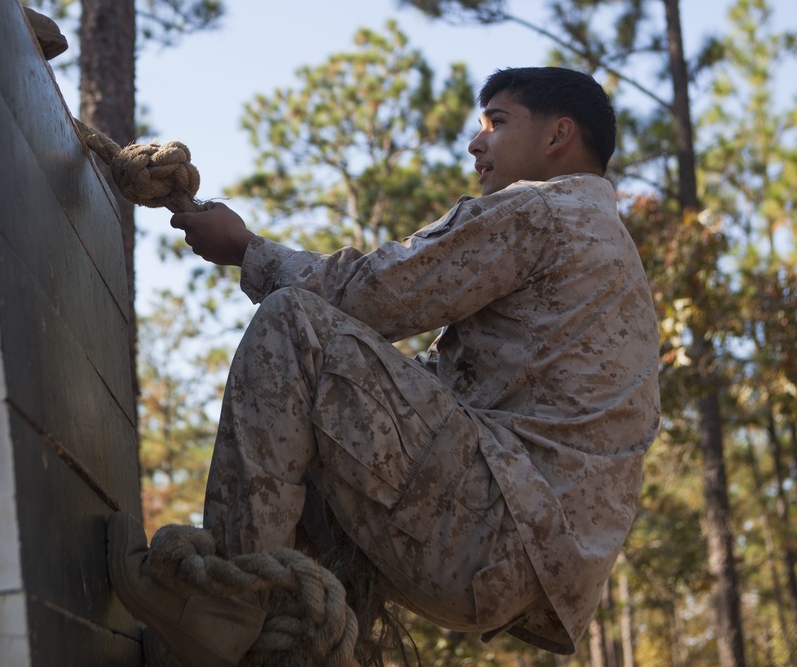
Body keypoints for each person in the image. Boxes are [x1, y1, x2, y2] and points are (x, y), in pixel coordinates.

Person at [107, 66, 660, 666]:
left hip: (490, 526)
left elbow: (369, 296)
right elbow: (437, 384)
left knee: (296, 327)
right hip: (515, 559)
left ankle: (227, 603)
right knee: (312, 439)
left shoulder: (543, 211)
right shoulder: (606, 245)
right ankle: (260, 647)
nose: (476, 143)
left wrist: (245, 249)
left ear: (558, 136)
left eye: (497, 123)